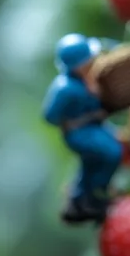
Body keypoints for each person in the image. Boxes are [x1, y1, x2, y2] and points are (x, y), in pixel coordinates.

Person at [43, 33, 123, 223]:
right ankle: (97, 193)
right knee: (112, 153)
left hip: (95, 126)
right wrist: (79, 119)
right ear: (78, 66)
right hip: (79, 132)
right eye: (88, 60)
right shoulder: (65, 89)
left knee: (91, 163)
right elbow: (50, 116)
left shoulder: (89, 79)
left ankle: (80, 197)